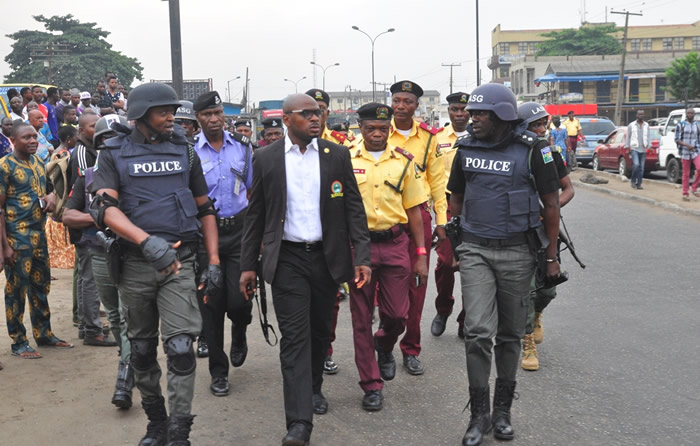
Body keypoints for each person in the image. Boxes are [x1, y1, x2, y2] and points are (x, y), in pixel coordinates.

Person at [90, 82, 220, 445]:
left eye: (173, 111)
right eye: (164, 111)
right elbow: (103, 208)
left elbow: (204, 206)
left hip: (180, 263)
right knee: (143, 352)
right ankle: (157, 421)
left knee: (181, 350)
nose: (171, 117)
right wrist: (146, 242)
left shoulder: (185, 150)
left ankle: (179, 431)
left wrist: (213, 261)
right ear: (140, 115)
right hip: (135, 265)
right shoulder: (113, 153)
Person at [239, 93, 371, 446]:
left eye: (319, 113)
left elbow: (354, 210)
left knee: (319, 333)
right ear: (286, 119)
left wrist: (362, 257)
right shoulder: (265, 158)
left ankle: (313, 387)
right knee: (295, 339)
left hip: (327, 259)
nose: (316, 119)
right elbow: (256, 216)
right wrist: (248, 265)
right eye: (307, 114)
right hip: (287, 260)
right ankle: (299, 423)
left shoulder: (336, 155)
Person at [448, 84, 561, 446]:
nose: (472, 117)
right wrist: (458, 242)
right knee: (479, 331)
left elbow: (552, 204)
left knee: (511, 335)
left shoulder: (534, 150)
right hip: (476, 251)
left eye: (480, 113)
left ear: (501, 116)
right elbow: (456, 199)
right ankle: (479, 414)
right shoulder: (465, 148)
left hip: (518, 252)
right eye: (472, 112)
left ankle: (502, 413)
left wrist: (551, 257)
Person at [348, 102, 428, 412]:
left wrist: (420, 254)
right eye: (371, 129)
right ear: (361, 128)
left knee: (397, 315)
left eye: (383, 129)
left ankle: (384, 343)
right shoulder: (346, 159)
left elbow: (415, 212)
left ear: (389, 129)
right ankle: (371, 384)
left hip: (396, 244)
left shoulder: (404, 162)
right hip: (360, 248)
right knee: (360, 317)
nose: (377, 134)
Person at [63, 113, 135, 407]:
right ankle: (128, 358)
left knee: (128, 315)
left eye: (117, 139)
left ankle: (126, 374)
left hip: (131, 254)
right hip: (99, 252)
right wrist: (101, 217)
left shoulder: (137, 173)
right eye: (104, 140)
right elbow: (68, 214)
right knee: (115, 317)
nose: (111, 145)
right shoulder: (87, 176)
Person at [192, 91, 254, 397]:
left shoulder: (242, 147)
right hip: (206, 236)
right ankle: (218, 371)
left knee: (239, 301)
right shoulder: (190, 152)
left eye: (218, 113)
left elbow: (253, 193)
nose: (214, 119)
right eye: (207, 114)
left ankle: (240, 331)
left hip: (240, 233)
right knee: (212, 305)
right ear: (197, 119)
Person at [386, 80, 447, 376]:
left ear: (416, 106)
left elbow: (437, 182)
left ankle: (410, 349)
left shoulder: (428, 138)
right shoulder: (379, 131)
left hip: (418, 218)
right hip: (387, 216)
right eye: (397, 100)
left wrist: (442, 220)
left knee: (417, 286)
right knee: (386, 287)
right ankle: (383, 343)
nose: (401, 106)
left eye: (407, 101)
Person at [0, 122, 72, 359]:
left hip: (38, 235)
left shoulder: (38, 163)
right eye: (26, 138)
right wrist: (4, 248)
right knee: (16, 290)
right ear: (13, 140)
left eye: (34, 137)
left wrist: (50, 198)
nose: (32, 141)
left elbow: (50, 189)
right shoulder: (4, 166)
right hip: (16, 238)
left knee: (40, 285)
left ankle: (43, 334)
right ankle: (18, 342)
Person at [516, 102, 574, 372]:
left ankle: (537, 315)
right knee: (526, 290)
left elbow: (568, 189)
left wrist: (550, 209)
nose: (540, 129)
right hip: (520, 232)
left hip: (546, 228)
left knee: (548, 289)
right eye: (534, 125)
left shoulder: (550, 152)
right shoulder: (515, 153)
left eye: (543, 124)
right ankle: (527, 342)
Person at [306, 88, 353, 376]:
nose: (316, 114)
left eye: (321, 108)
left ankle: (326, 350)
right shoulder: (291, 146)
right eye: (310, 109)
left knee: (331, 299)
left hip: (334, 232)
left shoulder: (343, 145)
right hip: (301, 236)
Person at [431, 91, 470, 339]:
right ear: (448, 111)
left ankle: (467, 319)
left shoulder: (482, 137)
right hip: (445, 204)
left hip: (475, 207)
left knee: (472, 265)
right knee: (445, 263)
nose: (459, 114)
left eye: (463, 110)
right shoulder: (437, 139)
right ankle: (443, 309)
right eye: (454, 109)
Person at [674, 108, 700, 201]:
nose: (690, 114)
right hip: (685, 152)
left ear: (694, 114)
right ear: (686, 114)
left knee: (699, 168)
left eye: (691, 113)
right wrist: (687, 145)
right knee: (686, 173)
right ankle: (685, 193)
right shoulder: (681, 125)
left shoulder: (697, 125)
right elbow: (677, 139)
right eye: (688, 113)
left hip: (696, 151)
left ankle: (694, 188)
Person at [624, 110, 650, 190]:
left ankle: (639, 184)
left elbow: (648, 136)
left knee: (641, 168)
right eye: (639, 114)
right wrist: (627, 147)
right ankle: (633, 180)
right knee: (636, 165)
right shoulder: (631, 125)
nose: (641, 115)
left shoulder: (646, 125)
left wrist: (650, 146)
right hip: (634, 148)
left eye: (642, 114)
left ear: (644, 115)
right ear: (636, 115)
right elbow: (628, 137)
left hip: (643, 149)